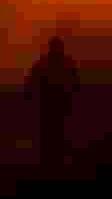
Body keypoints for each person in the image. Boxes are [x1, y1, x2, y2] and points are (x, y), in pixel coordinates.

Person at [24, 35, 80, 167]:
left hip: (50, 105)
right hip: (56, 105)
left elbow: (31, 83)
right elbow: (76, 83)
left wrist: (29, 97)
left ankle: (50, 162)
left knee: (51, 134)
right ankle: (55, 161)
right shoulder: (66, 63)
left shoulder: (44, 63)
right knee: (56, 133)